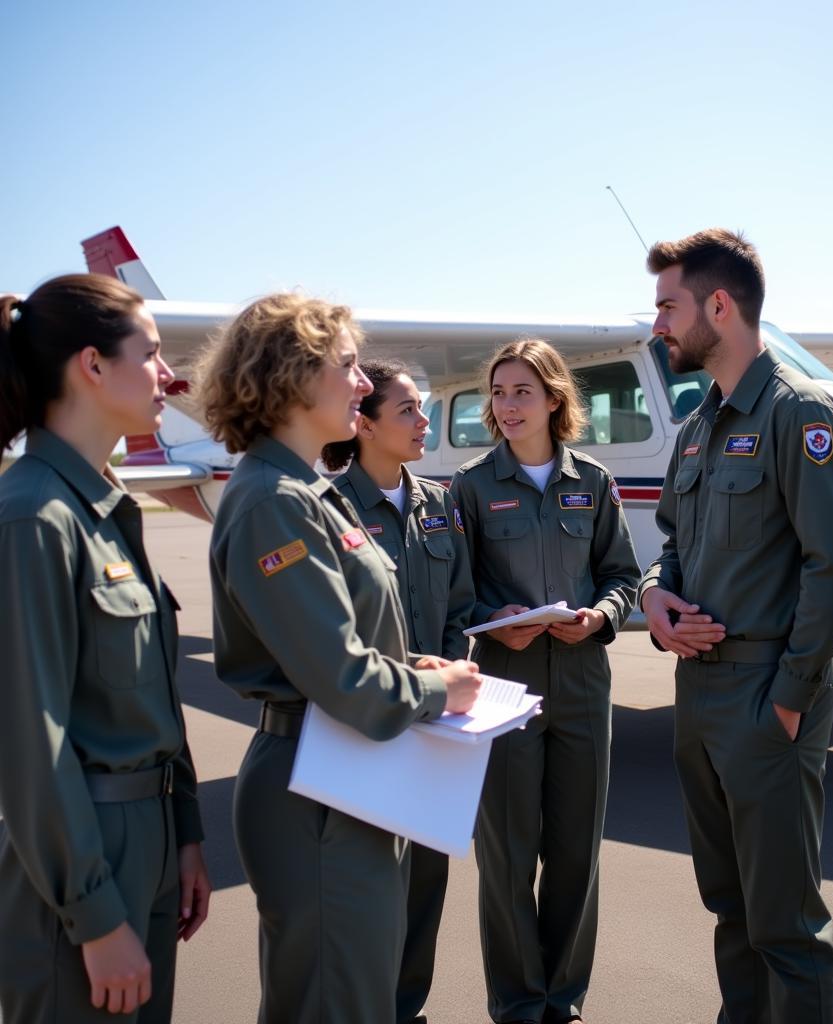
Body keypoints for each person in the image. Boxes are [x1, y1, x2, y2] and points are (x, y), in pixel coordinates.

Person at [196, 293, 483, 1024]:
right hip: (316, 785)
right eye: (348, 366)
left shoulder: (308, 492)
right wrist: (437, 689)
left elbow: (351, 644)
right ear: (292, 375)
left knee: (353, 992)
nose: (363, 385)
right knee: (333, 1000)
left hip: (347, 774)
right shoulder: (274, 502)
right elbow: (342, 676)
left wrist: (417, 669)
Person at [639, 229, 833, 1024]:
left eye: (668, 306)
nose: (658, 325)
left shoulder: (798, 412)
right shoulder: (700, 424)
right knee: (731, 909)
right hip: (698, 695)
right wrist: (654, 598)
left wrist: (790, 696)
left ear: (719, 304)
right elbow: (672, 542)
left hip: (766, 695)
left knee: (786, 924)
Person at [0, 275, 211, 1022]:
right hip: (81, 851)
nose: (168, 375)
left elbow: (149, 693)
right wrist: (91, 914)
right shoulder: (34, 517)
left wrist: (185, 835)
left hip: (148, 841)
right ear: (92, 365)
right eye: (150, 354)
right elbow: (31, 742)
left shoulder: (104, 506)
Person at [449, 338, 640, 1024]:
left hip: (584, 685)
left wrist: (602, 616)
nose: (506, 406)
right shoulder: (470, 487)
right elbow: (453, 596)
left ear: (555, 399)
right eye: (497, 393)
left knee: (574, 854)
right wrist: (487, 621)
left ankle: (562, 1000)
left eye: (521, 391)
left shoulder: (593, 482)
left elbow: (623, 576)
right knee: (505, 856)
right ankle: (518, 1002)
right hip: (504, 690)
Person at [324, 358, 475, 1024]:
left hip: (436, 730)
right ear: (364, 424)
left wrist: (453, 670)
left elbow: (462, 607)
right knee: (364, 899)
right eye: (408, 410)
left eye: (423, 407)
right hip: (368, 725)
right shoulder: (329, 510)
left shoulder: (439, 504)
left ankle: (406, 1010)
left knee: (425, 891)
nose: (423, 422)